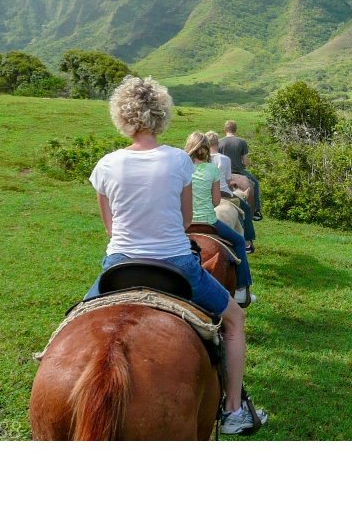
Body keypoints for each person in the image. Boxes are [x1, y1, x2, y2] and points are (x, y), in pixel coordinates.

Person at [85, 75, 266, 435]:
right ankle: (233, 411)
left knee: (73, 321)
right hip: (178, 264)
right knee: (233, 320)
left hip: (119, 264)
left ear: (120, 116)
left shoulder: (105, 165)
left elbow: (109, 228)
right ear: (161, 115)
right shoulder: (178, 161)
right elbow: (186, 221)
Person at [185, 131, 256, 306]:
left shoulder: (182, 169)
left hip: (184, 224)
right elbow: (217, 201)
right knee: (239, 241)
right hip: (209, 222)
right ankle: (241, 289)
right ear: (206, 149)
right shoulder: (212, 169)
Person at [206, 130, 256, 254]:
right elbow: (228, 180)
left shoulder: (201, 159)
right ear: (217, 144)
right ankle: (247, 242)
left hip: (206, 194)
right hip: (224, 194)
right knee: (245, 209)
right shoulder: (224, 159)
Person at [218, 120, 262, 219]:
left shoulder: (219, 142)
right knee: (255, 183)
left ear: (224, 130)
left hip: (224, 172)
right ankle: (256, 211)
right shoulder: (241, 142)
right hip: (239, 171)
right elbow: (245, 162)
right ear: (235, 130)